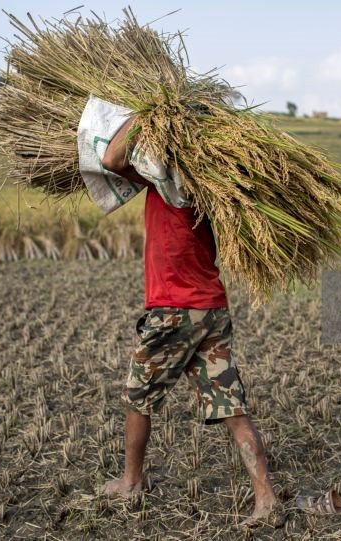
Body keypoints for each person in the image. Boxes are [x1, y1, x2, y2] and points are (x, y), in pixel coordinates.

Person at [99, 118, 284, 527]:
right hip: (212, 310)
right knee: (233, 409)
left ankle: (132, 482)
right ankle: (266, 498)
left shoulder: (168, 184)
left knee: (137, 397)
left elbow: (111, 158)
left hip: (174, 313)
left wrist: (146, 112)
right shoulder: (210, 193)